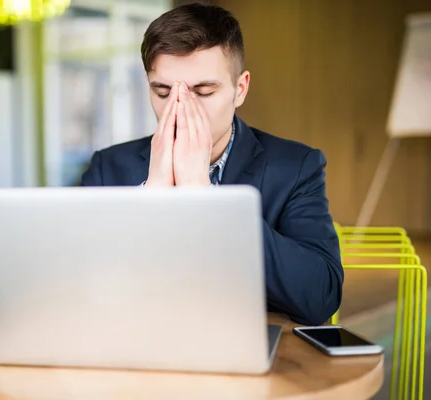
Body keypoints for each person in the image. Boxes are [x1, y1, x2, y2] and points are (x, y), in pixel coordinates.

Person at [81, 3, 343, 326]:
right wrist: (151, 196)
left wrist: (208, 201)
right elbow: (79, 286)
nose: (178, 108)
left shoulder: (296, 167)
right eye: (162, 92)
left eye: (203, 92)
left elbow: (321, 295)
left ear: (240, 89)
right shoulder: (108, 168)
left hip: (240, 349)